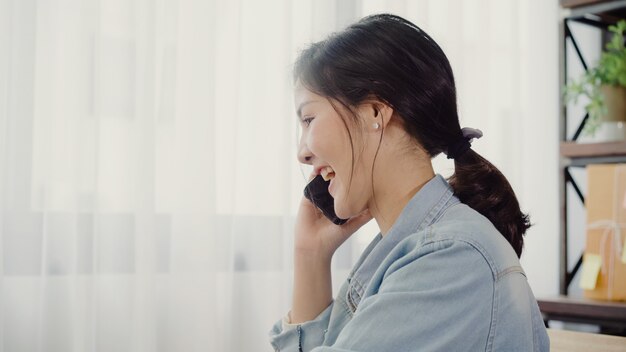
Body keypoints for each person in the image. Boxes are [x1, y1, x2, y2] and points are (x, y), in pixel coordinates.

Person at [269, 14, 550, 352]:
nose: (302, 153)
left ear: (374, 111)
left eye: (309, 119)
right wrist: (310, 255)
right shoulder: (414, 252)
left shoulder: (450, 259)